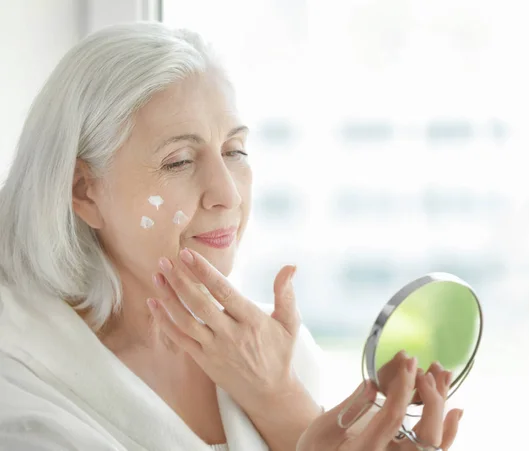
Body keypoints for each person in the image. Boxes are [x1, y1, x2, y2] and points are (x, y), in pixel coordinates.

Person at [0, 22, 462, 451]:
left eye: (234, 151)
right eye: (179, 161)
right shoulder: (20, 386)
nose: (227, 194)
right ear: (84, 191)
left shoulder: (277, 353)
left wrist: (281, 399)